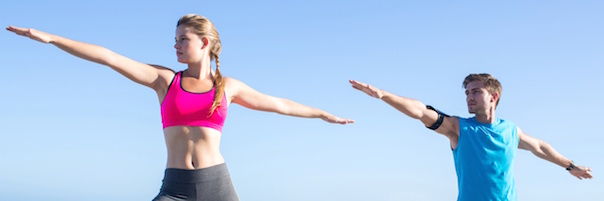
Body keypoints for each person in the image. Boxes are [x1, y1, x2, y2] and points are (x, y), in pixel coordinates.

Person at [7, 14, 354, 201]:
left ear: (204, 43)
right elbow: (110, 57)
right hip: (175, 189)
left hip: (218, 186)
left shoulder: (226, 87)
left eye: (182, 40)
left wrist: (322, 114)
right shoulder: (164, 80)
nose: (175, 46)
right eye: (174, 40)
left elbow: (279, 104)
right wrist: (52, 39)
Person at [349, 74, 592, 201]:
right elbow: (422, 112)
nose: (469, 97)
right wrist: (383, 95)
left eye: (476, 91)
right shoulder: (459, 128)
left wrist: (570, 166)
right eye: (467, 92)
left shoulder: (510, 130)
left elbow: (540, 147)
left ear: (494, 96)